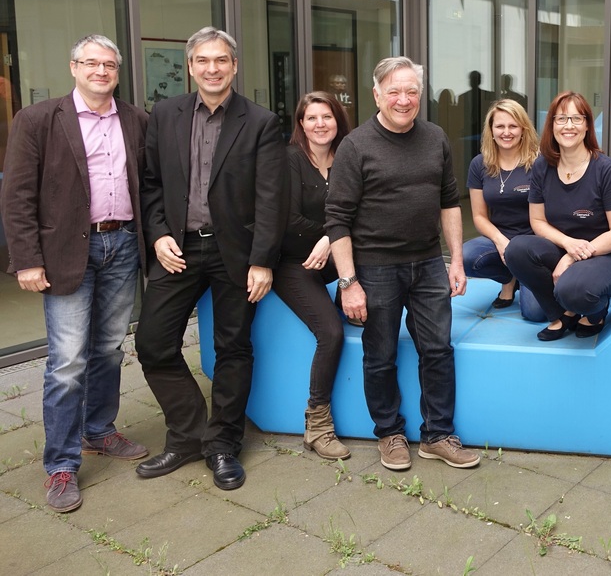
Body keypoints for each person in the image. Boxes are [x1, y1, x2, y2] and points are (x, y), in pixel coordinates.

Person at [134, 27, 287, 490]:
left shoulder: (260, 121)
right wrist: (158, 234)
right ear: (190, 66)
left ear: (234, 66)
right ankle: (187, 435)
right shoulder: (165, 114)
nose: (212, 68)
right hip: (177, 249)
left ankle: (222, 444)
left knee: (232, 348)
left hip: (236, 254)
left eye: (221, 60)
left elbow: (271, 198)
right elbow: (151, 183)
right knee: (153, 343)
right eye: (203, 60)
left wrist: (262, 260)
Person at [0, 35, 149, 512]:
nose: (100, 70)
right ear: (73, 67)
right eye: (91, 63)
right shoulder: (38, 120)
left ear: (118, 72)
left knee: (108, 349)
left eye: (109, 64)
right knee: (66, 362)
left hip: (122, 244)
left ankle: (99, 431)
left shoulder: (135, 120)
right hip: (66, 251)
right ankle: (61, 465)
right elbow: (17, 195)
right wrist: (26, 258)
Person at [326, 56, 480, 472]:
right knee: (380, 356)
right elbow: (337, 219)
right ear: (376, 94)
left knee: (438, 350)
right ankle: (389, 433)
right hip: (375, 268)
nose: (403, 99)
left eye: (411, 90)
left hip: (429, 262)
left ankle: (437, 436)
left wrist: (456, 260)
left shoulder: (435, 138)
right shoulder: (355, 146)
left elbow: (450, 202)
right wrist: (348, 283)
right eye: (394, 90)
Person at [505, 92, 611, 341]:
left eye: (576, 119)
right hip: (566, 248)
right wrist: (567, 245)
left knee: (574, 289)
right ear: (551, 125)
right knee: (516, 249)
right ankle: (563, 313)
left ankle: (595, 311)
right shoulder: (543, 166)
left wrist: (571, 259)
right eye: (561, 118)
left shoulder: (607, 170)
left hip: (610, 256)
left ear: (587, 125)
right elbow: (537, 221)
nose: (568, 126)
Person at [273, 91, 352, 460]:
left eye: (327, 117)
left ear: (338, 121)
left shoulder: (348, 158)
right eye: (312, 118)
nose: (320, 124)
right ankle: (317, 424)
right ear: (301, 124)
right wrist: (330, 235)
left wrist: (330, 240)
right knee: (331, 332)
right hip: (294, 263)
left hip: (334, 255)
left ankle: (347, 295)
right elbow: (285, 220)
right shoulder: (288, 159)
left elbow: (362, 213)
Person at [463, 99, 542, 318]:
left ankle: (524, 273)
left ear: (523, 129)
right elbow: (479, 216)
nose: (506, 132)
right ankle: (508, 278)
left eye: (513, 126)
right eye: (500, 126)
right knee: (466, 257)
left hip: (533, 242)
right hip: (500, 236)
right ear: (491, 130)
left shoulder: (539, 163)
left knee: (535, 313)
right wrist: (500, 241)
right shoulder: (479, 164)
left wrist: (521, 251)